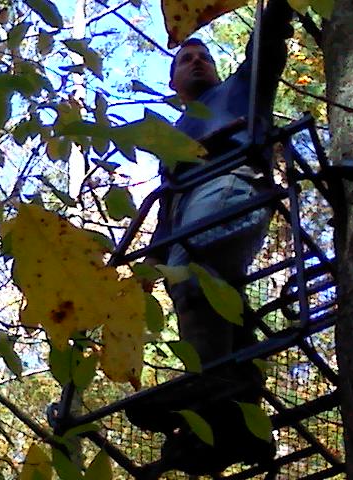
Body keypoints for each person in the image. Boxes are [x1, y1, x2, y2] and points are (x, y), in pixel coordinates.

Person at [135, 0, 294, 473]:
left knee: (194, 270)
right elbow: (167, 205)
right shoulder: (173, 136)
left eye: (204, 56)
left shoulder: (241, 89)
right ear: (173, 82)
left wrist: (275, 7)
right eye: (185, 59)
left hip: (230, 182)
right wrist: (148, 266)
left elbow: (267, 45)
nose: (197, 61)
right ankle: (234, 420)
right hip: (187, 207)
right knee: (216, 296)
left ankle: (211, 390)